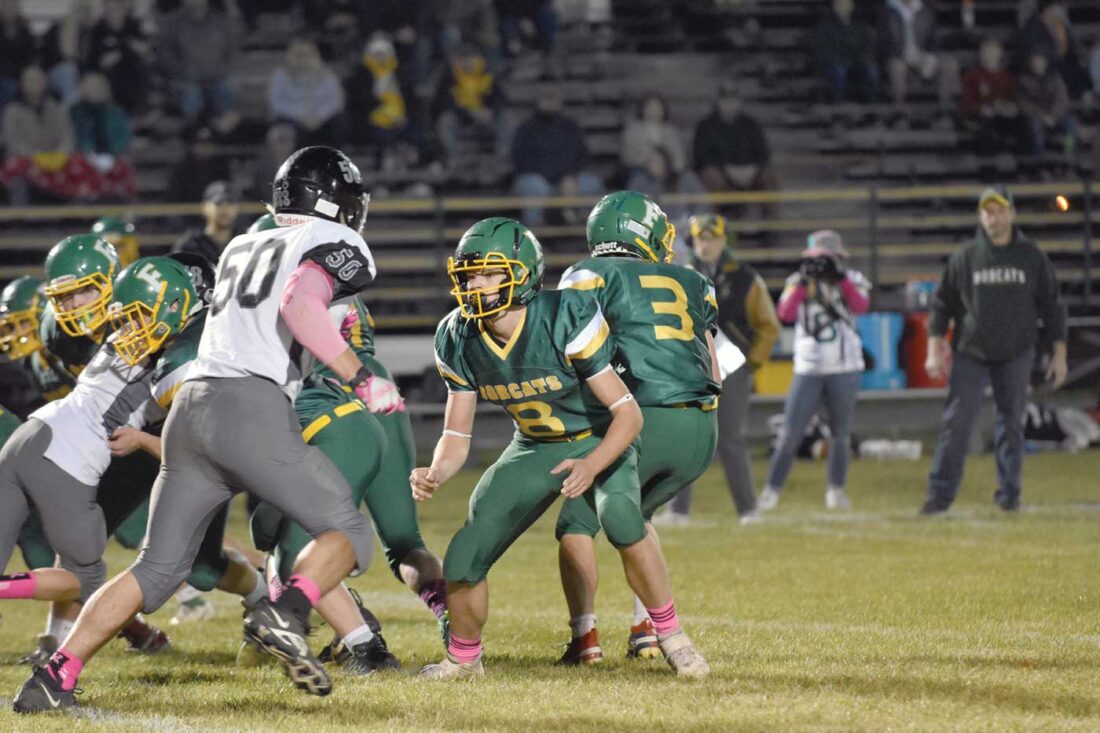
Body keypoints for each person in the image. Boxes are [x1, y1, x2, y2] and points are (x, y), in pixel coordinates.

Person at [12, 146, 396, 712]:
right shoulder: (332, 240)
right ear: (332, 201)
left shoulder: (240, 243)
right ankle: (285, 613)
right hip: (251, 405)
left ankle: (54, 677)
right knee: (348, 533)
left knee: (154, 568)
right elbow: (299, 302)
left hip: (189, 412)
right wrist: (360, 376)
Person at [412, 216, 709, 679]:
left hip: (597, 437)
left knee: (621, 517)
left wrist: (593, 463)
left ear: (524, 274)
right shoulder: (457, 335)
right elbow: (456, 435)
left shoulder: (564, 315)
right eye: (469, 275)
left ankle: (672, 637)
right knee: (466, 553)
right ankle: (465, 659)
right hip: (534, 446)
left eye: (489, 273)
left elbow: (628, 415)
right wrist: (435, 471)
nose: (475, 284)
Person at [243, 213, 446, 671]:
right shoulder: (325, 264)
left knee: (283, 537)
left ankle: (356, 639)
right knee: (404, 540)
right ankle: (455, 623)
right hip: (377, 390)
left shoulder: (283, 283)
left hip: (324, 402)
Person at [552, 192, 720, 665]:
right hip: (701, 427)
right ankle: (644, 629)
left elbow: (570, 349)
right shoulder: (694, 280)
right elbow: (715, 368)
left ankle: (586, 637)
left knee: (576, 523)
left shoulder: (588, 274)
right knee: (638, 516)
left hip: (641, 417)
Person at [921, 186, 1067, 515]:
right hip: (971, 350)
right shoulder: (966, 256)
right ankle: (939, 496)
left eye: (1000, 211)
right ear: (980, 216)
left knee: (1012, 424)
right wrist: (933, 349)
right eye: (988, 212)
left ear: (1012, 214)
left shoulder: (1031, 256)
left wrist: (1059, 355)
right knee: (957, 423)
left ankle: (1009, 495)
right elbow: (942, 304)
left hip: (1016, 351)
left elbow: (1052, 306)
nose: (994, 218)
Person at [665, 214, 781, 524]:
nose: (707, 245)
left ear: (724, 240)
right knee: (686, 437)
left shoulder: (745, 278)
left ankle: (748, 509)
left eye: (712, 238)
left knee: (730, 438)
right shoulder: (680, 276)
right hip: (691, 365)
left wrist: (751, 363)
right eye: (701, 239)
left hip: (733, 366)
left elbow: (768, 326)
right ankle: (677, 510)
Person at [758, 230, 870, 512]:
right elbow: (785, 314)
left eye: (825, 259)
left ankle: (836, 490)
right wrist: (803, 282)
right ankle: (772, 490)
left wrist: (840, 278)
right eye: (816, 259)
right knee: (790, 432)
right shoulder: (797, 282)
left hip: (845, 366)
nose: (820, 265)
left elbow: (861, 306)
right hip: (808, 367)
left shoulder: (852, 278)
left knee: (840, 432)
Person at [510, 92, 603, 226]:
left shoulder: (571, 127)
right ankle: (534, 228)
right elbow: (520, 160)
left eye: (553, 99)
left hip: (569, 179)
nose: (549, 103)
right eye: (546, 99)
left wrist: (570, 175)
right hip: (537, 178)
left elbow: (582, 156)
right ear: (537, 102)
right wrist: (556, 177)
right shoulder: (526, 129)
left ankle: (582, 224)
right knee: (534, 187)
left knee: (592, 184)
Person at [692, 83, 777, 220]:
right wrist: (727, 170)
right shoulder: (705, 126)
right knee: (711, 177)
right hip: (721, 174)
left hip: (750, 174)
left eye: (733, 100)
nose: (729, 104)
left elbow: (763, 153)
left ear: (740, 102)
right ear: (718, 102)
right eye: (725, 100)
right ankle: (712, 225)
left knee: (768, 177)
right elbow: (701, 157)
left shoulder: (751, 125)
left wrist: (753, 169)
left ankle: (770, 225)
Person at [157, 0, 240, 124]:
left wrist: (222, 71)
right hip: (185, 79)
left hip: (216, 77)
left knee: (227, 90)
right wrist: (182, 72)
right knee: (191, 96)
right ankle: (192, 129)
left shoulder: (220, 21)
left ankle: (221, 129)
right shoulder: (171, 23)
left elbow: (232, 51)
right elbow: (165, 54)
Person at [879, 0, 960, 120]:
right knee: (897, 67)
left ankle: (943, 110)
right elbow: (883, 43)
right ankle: (898, 113)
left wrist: (930, 57)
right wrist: (903, 57)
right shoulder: (888, 12)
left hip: (921, 56)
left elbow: (933, 40)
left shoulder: (926, 11)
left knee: (949, 65)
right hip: (898, 56)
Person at [267, 38, 347, 148]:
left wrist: (320, 116)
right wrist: (301, 115)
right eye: (298, 55)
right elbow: (276, 103)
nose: (303, 59)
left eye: (307, 55)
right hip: (292, 119)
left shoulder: (328, 76)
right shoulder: (280, 76)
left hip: (321, 120)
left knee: (339, 123)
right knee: (284, 130)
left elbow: (336, 101)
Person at [812, 0, 881, 103]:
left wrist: (860, 60)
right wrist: (840, 60)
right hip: (835, 64)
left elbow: (866, 48)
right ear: (834, 7)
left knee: (872, 70)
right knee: (839, 72)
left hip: (856, 63)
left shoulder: (860, 26)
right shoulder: (824, 27)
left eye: (845, 4)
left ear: (852, 6)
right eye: (839, 5)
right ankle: (838, 103)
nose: (843, 7)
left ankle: (873, 103)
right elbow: (823, 51)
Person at [960, 39, 1020, 156]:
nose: (989, 57)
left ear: (999, 55)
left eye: (993, 54)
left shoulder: (1006, 76)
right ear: (981, 55)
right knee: (985, 128)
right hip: (978, 117)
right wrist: (980, 109)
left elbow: (1013, 99)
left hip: (1002, 116)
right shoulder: (972, 76)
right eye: (986, 53)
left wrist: (1008, 107)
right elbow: (967, 101)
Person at [1017, 52, 1075, 156]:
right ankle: (1039, 154)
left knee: (1070, 124)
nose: (1037, 64)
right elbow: (1024, 104)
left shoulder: (1055, 78)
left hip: (1056, 115)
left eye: (1040, 61)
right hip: (1036, 116)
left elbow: (1062, 99)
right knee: (1035, 126)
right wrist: (1043, 116)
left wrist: (1053, 115)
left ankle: (1069, 150)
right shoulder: (1024, 80)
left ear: (1045, 62)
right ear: (1030, 63)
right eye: (1035, 62)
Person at [619, 94, 689, 180]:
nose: (654, 109)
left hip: (668, 172)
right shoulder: (633, 130)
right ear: (642, 109)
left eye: (657, 106)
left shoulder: (671, 132)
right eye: (650, 106)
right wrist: (650, 161)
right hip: (640, 170)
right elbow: (628, 156)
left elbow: (678, 157)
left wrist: (671, 168)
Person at [172, 180, 242, 264]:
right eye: (218, 203)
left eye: (230, 203)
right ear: (205, 207)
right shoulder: (190, 245)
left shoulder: (244, 241)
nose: (225, 208)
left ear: (237, 207)